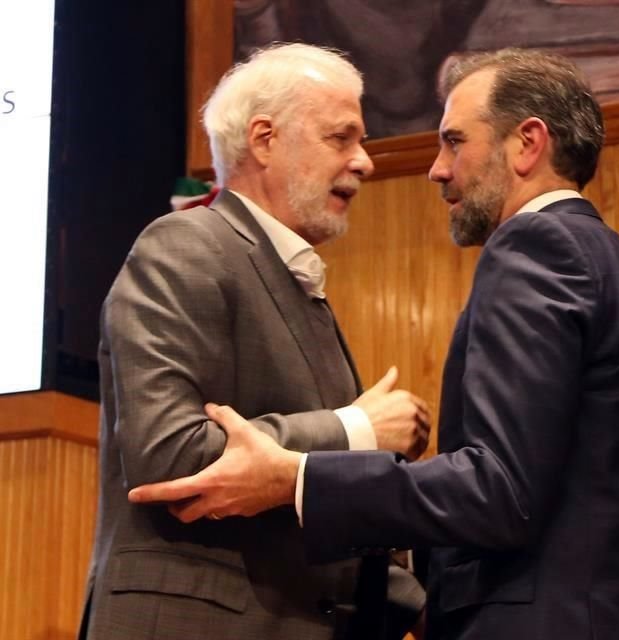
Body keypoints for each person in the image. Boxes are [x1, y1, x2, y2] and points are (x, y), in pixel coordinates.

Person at [130, 48, 619, 640]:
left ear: (527, 143)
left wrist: (299, 475)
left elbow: (499, 491)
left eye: (454, 141)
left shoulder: (535, 248)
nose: (436, 169)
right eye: (339, 137)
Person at [81, 43, 429, 640]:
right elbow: (168, 455)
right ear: (265, 139)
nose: (365, 162)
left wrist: (428, 608)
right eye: (341, 138)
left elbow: (312, 512)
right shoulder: (185, 245)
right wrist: (358, 430)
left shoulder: (296, 282)